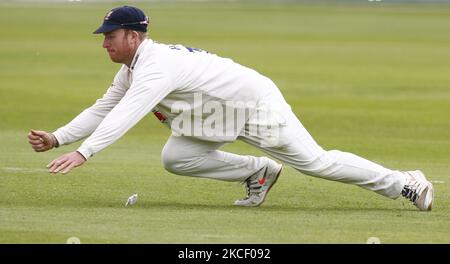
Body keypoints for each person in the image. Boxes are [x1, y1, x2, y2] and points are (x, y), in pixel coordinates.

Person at [28, 6, 433, 211]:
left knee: (317, 163)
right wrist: (59, 137)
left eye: (110, 36)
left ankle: (406, 182)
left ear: (133, 37)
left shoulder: (156, 67)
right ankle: (258, 172)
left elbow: (127, 114)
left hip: (252, 105)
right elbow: (104, 107)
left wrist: (85, 152)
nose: (104, 44)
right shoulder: (134, 69)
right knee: (177, 156)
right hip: (213, 116)